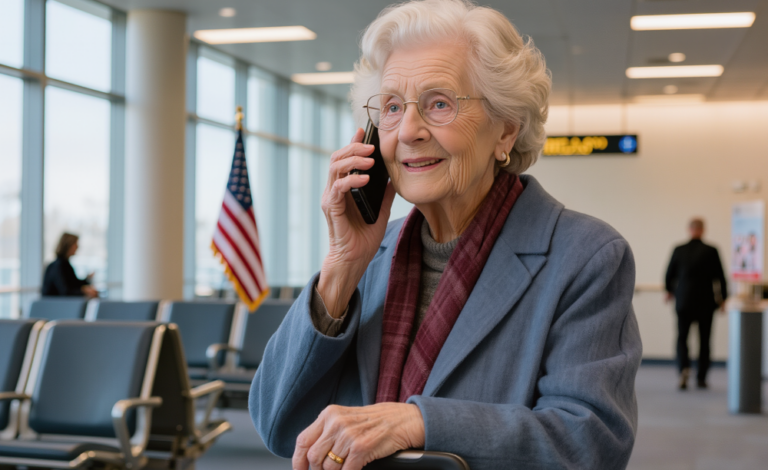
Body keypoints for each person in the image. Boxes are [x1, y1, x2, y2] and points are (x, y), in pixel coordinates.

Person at [250, 1, 642, 469]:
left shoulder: (586, 256)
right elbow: (276, 422)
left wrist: (418, 423)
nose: (410, 130)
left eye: (439, 104)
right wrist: (340, 267)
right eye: (392, 107)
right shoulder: (370, 255)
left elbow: (590, 442)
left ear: (505, 131)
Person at [665, 218, 727, 390]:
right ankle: (701, 377)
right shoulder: (711, 250)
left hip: (684, 301)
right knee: (705, 340)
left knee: (682, 338)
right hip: (706, 302)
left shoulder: (679, 249)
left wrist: (669, 291)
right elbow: (720, 277)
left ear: (689, 229)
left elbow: (669, 274)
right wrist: (723, 299)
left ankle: (683, 369)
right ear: (703, 230)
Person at [41, 232, 98, 298]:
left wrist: (87, 280)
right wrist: (84, 290)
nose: (77, 247)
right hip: (55, 305)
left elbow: (74, 283)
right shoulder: (58, 266)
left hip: (63, 304)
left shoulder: (65, 265)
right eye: (75, 244)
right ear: (68, 245)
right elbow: (66, 291)